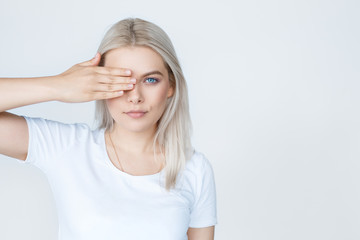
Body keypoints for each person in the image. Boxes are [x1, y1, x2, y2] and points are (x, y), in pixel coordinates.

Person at [0, 18, 217, 240]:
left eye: (150, 80)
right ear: (99, 84)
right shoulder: (66, 146)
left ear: (171, 86)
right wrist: (58, 86)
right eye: (120, 81)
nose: (135, 97)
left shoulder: (194, 169)